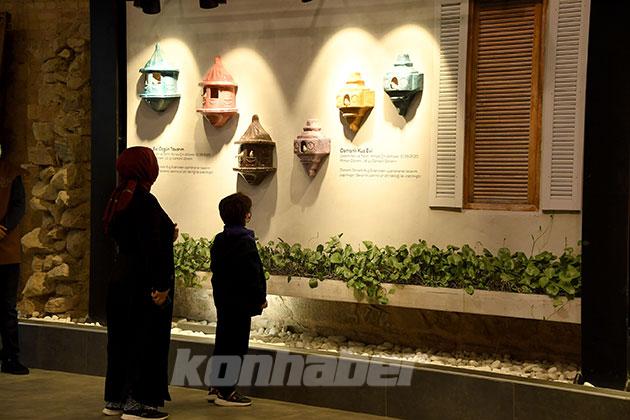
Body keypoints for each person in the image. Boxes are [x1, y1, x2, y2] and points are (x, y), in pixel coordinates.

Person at [102, 146, 177, 420]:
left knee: (120, 341)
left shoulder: (118, 197)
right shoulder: (144, 200)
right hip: (143, 282)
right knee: (144, 341)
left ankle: (116, 399)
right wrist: (162, 285)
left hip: (121, 278)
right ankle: (138, 403)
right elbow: (153, 246)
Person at [207, 192, 267, 407]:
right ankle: (227, 391)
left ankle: (216, 385)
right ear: (246, 215)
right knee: (237, 346)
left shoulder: (220, 239)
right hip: (240, 302)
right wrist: (259, 297)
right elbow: (252, 274)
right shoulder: (245, 241)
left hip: (224, 300)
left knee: (223, 342)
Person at [0, 142, 28, 375]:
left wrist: (4, 227)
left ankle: (10, 357)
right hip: (7, 248)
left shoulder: (11, 173)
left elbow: (19, 205)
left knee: (8, 307)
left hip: (7, 251)